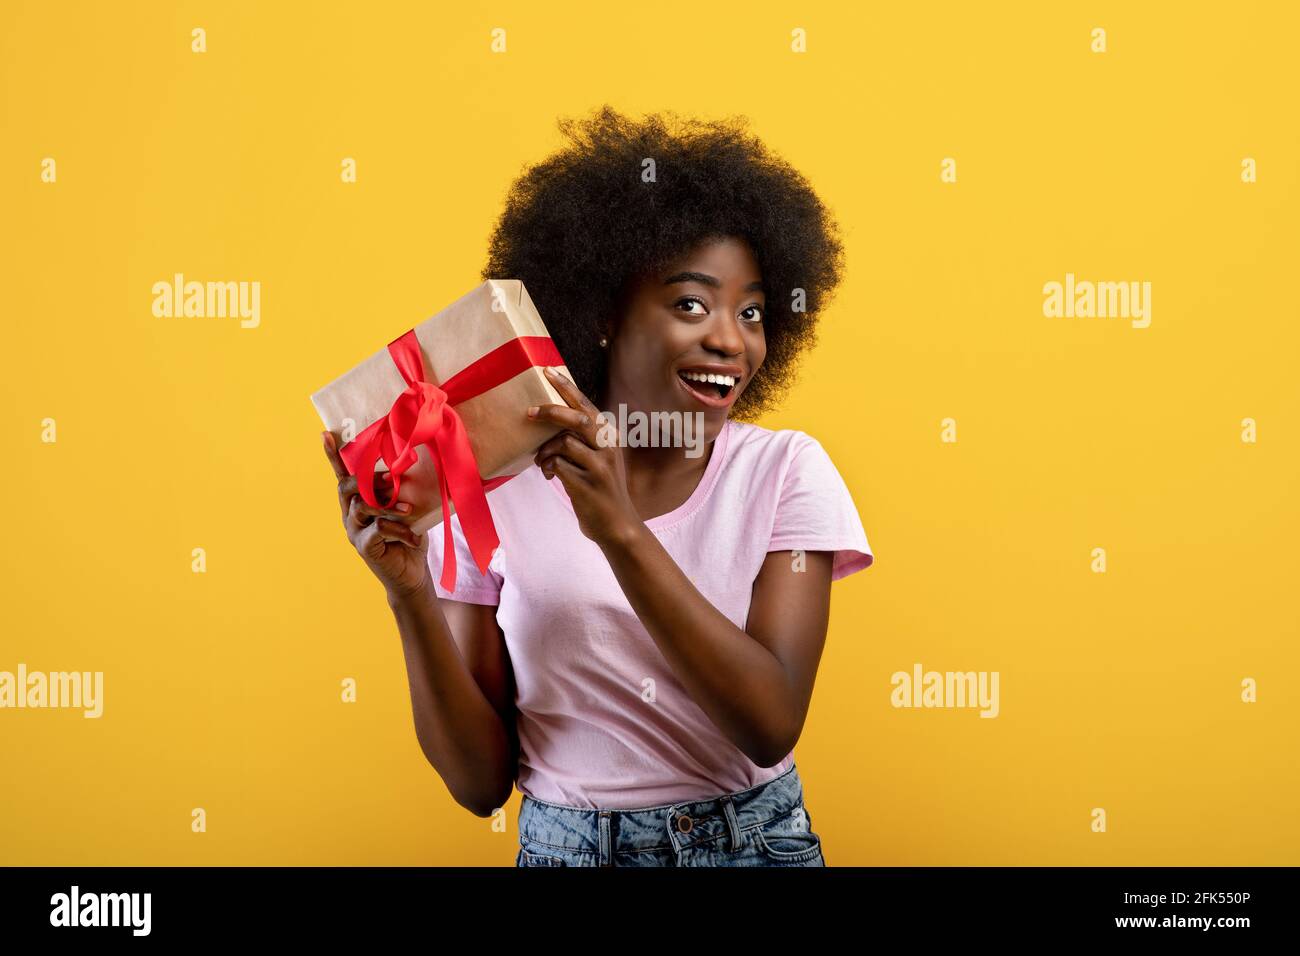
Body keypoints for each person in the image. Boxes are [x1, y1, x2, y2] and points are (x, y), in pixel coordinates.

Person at [321, 106, 875, 866]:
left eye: (751, 311)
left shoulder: (784, 472)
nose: (730, 338)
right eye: (691, 303)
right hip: (565, 848)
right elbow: (479, 783)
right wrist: (409, 595)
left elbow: (770, 721)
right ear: (604, 315)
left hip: (750, 845)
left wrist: (617, 528)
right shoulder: (490, 487)